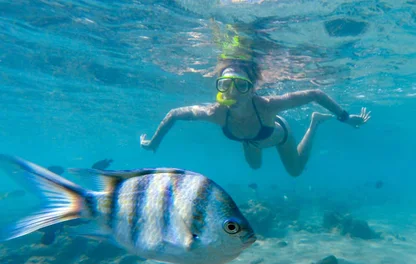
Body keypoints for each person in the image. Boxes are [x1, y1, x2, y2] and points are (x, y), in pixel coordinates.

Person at [139, 32, 371, 177]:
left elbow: (315, 93)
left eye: (241, 85)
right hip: (251, 141)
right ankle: (254, 144)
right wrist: (153, 143)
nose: (233, 91)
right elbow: (174, 114)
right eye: (226, 84)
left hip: (279, 134)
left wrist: (345, 117)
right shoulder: (216, 113)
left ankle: (314, 123)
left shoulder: (268, 106)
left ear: (252, 89)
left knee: (295, 171)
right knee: (255, 168)